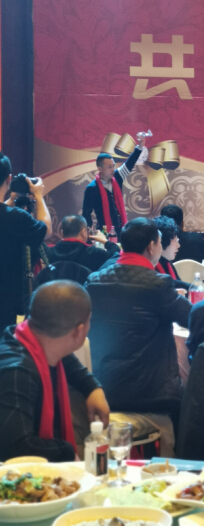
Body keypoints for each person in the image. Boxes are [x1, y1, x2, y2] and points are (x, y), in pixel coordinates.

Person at [85, 217, 192, 453]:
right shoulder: (158, 284)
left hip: (103, 388)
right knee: (191, 398)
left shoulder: (94, 281)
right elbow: (191, 318)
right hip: (151, 394)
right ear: (152, 246)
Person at [0, 280, 109, 462]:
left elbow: (68, 361)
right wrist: (67, 451)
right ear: (79, 332)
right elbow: (16, 447)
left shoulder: (26, 338)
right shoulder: (18, 373)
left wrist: (92, 387)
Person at [0, 153, 52, 330]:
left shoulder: (12, 216)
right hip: (5, 300)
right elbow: (46, 230)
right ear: (9, 179)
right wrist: (39, 196)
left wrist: (11, 199)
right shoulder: (16, 218)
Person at [82, 133, 146, 238]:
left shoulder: (117, 176)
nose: (112, 169)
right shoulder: (91, 188)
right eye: (109, 167)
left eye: (113, 166)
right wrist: (90, 234)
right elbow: (86, 214)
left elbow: (129, 164)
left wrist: (140, 146)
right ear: (100, 168)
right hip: (104, 234)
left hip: (123, 232)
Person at [46, 214, 120, 272]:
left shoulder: (51, 252)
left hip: (57, 287)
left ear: (62, 233)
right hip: (86, 287)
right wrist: (105, 240)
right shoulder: (92, 253)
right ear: (83, 232)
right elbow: (116, 254)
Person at [153, 215, 190, 289]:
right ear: (163, 241)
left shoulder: (167, 263)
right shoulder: (152, 267)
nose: (178, 245)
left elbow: (178, 284)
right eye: (175, 241)